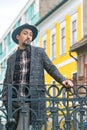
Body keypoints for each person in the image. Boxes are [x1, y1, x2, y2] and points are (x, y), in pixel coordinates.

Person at [2, 23, 73, 130]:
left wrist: (63, 80)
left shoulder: (39, 52)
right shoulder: (11, 59)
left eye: (30, 34)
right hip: (13, 101)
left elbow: (51, 68)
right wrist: (4, 96)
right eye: (25, 34)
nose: (28, 36)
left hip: (30, 99)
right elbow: (7, 79)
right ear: (18, 37)